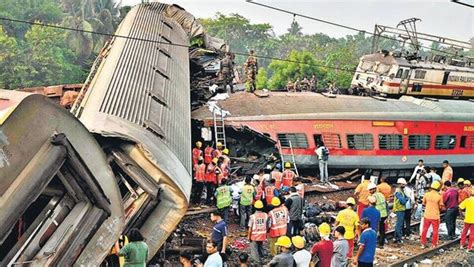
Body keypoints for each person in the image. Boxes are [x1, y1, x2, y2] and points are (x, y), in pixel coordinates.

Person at [421, 181, 444, 249]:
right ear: (438, 188)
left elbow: (424, 203)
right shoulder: (439, 196)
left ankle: (423, 243)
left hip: (427, 215)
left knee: (424, 229)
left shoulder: (426, 194)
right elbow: (441, 207)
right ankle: (434, 244)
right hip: (435, 216)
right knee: (435, 231)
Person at [248, 200, 268, 265]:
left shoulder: (252, 216)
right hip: (262, 235)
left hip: (254, 236)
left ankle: (256, 262)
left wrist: (249, 237)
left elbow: (250, 229)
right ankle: (262, 257)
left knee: (254, 248)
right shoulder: (265, 215)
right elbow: (267, 225)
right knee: (260, 245)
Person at [368, 183, 388, 248]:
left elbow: (372, 203)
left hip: (378, 214)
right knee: (382, 229)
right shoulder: (381, 194)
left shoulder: (374, 196)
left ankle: (374, 242)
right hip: (384, 214)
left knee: (375, 229)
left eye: (370, 190)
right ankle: (381, 244)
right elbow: (386, 204)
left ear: (374, 189)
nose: (369, 191)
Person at [392, 178, 408, 244]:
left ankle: (396, 237)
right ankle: (398, 238)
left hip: (400, 209)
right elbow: (403, 201)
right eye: (403, 184)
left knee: (399, 224)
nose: (404, 185)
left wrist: (406, 198)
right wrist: (406, 199)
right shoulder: (398, 192)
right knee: (399, 224)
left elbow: (406, 198)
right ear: (399, 184)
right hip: (399, 209)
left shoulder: (401, 191)